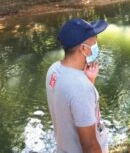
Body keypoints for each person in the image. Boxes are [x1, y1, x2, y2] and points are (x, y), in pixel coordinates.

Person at [46, 18, 109, 153]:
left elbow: (74, 107)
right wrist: (85, 84)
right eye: (94, 40)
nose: (96, 43)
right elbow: (90, 146)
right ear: (83, 49)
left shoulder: (54, 70)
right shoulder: (80, 88)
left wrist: (89, 80)